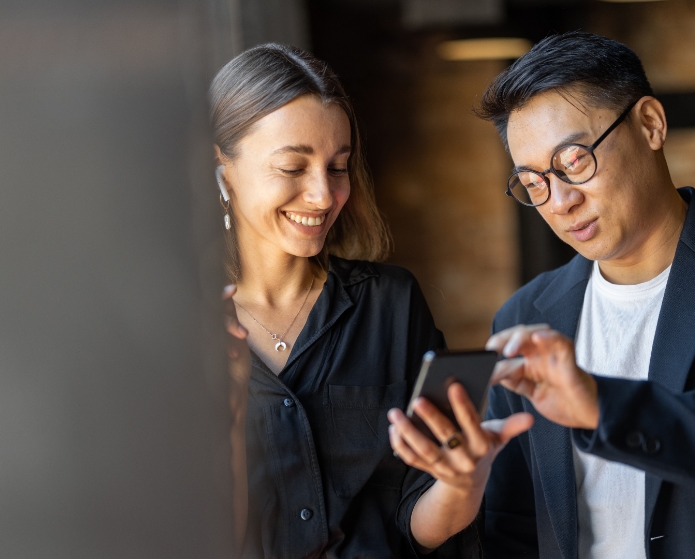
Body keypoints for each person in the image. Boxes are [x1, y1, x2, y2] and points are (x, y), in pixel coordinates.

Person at [213, 43, 532, 558]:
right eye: (293, 167)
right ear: (221, 166)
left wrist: (462, 482)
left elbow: (417, 524)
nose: (323, 195)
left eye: (338, 168)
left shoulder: (391, 303)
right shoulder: (181, 327)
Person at [473, 32, 695, 559]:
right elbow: (512, 525)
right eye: (533, 182)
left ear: (650, 124)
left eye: (574, 160)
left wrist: (603, 407)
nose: (560, 201)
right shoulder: (523, 317)